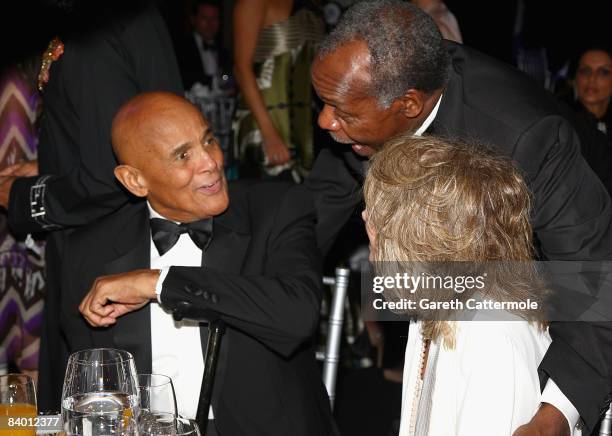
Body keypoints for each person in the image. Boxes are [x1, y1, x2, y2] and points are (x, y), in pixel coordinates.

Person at [305, 1, 612, 434]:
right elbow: (317, 207)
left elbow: (594, 280)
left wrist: (555, 414)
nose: (324, 121)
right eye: (323, 103)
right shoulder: (373, 94)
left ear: (409, 105)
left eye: (342, 112)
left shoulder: (525, 138)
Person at [59, 92, 334, 436]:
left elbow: (297, 314)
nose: (210, 162)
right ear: (135, 180)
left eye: (208, 140)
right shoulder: (90, 251)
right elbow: (87, 380)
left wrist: (158, 283)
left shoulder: (275, 209)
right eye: (183, 155)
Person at [0, 1, 184, 410]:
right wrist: (48, 164)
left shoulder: (95, 33)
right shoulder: (130, 15)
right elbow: (113, 132)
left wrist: (20, 197)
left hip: (104, 246)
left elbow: (107, 177)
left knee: (96, 401)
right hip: (129, 234)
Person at [364, 135, 556, 435]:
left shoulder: (491, 340)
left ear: (419, 240)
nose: (366, 220)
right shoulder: (434, 308)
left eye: (378, 221)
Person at [233, 0, 325, 180]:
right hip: (267, 121)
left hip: (307, 123)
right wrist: (269, 134)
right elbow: (241, 68)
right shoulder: (253, 3)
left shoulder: (315, 6)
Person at [175, 0, 230, 92]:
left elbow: (227, 77)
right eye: (204, 18)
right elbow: (183, 78)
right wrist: (217, 82)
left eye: (214, 18)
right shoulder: (181, 48)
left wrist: (226, 80)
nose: (210, 23)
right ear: (193, 20)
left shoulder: (224, 52)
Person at [573, 47, 612, 138]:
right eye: (585, 71)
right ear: (575, 78)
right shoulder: (559, 121)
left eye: (603, 72)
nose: (592, 79)